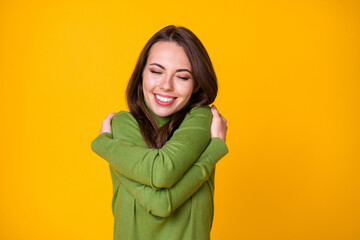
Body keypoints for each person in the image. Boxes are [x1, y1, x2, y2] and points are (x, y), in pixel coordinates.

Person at [91, 25, 228, 240]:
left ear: (196, 85)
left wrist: (104, 145)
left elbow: (162, 190)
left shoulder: (200, 119)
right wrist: (212, 153)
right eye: (156, 71)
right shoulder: (122, 125)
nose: (166, 85)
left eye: (182, 77)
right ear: (141, 75)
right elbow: (161, 201)